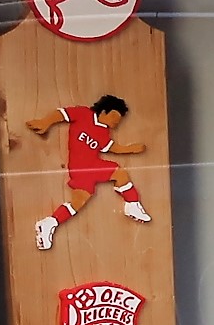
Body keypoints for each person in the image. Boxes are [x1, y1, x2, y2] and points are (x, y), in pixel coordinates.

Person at [26, 94, 150, 250]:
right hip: (82, 166)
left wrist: (130, 149)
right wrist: (45, 122)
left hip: (88, 168)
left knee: (78, 201)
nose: (116, 123)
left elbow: (112, 148)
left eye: (118, 121)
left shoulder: (103, 132)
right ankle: (132, 204)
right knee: (119, 173)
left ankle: (49, 223)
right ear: (104, 111)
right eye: (114, 117)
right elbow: (62, 114)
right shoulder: (84, 114)